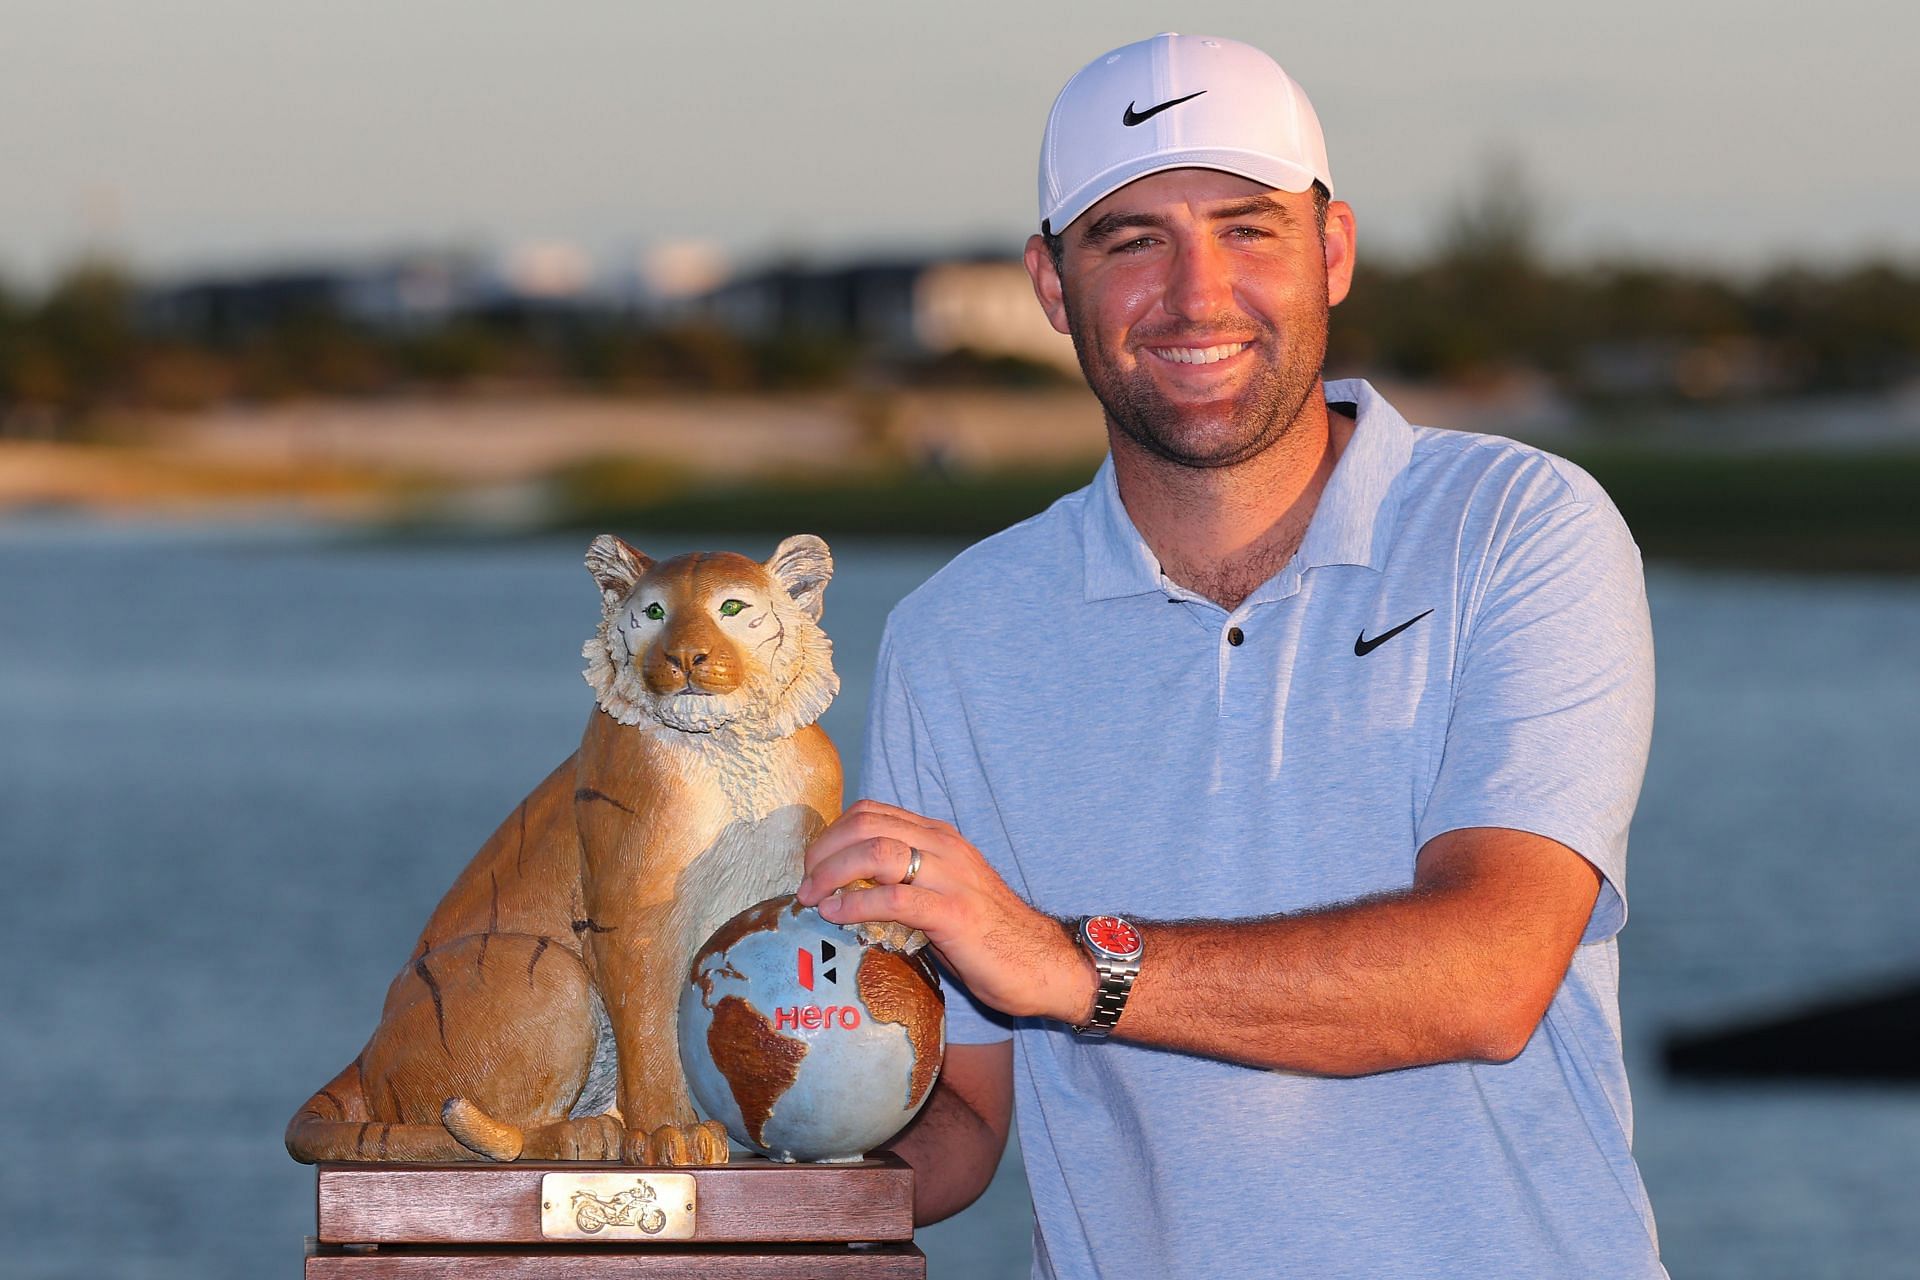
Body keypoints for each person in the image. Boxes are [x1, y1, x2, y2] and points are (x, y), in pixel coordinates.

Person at [798, 32, 1665, 1279]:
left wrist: (1068, 962)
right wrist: (725, 1172)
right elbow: (967, 1118)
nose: (1196, 292)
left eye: (1248, 228)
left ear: (1334, 251)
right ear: (1052, 285)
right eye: (1131, 238)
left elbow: (1491, 968)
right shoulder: (958, 630)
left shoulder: (1514, 526)